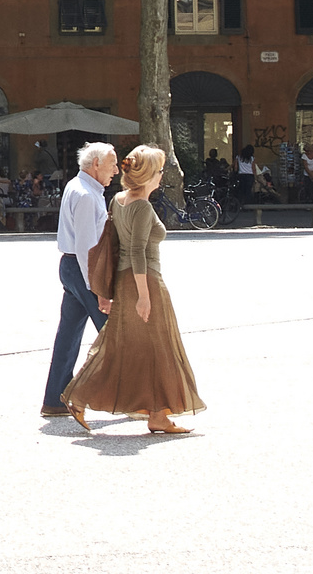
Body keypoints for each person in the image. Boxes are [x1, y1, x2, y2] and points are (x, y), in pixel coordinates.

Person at [64, 145, 206, 434]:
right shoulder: (142, 206)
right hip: (146, 281)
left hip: (124, 281)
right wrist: (144, 296)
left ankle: (156, 414)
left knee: (127, 346)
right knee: (158, 347)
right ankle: (86, 399)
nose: (161, 176)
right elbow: (138, 252)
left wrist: (111, 289)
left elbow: (114, 245)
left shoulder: (118, 200)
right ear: (148, 175)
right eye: (159, 171)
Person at [40, 142, 118, 418]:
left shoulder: (80, 187)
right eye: (112, 164)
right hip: (83, 268)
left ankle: (55, 399)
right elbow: (87, 247)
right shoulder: (86, 194)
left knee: (69, 335)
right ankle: (131, 396)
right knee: (114, 334)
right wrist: (98, 288)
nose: (116, 170)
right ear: (96, 164)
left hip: (72, 266)